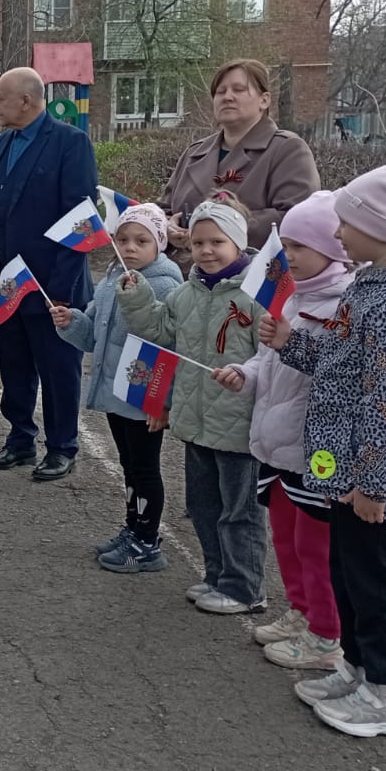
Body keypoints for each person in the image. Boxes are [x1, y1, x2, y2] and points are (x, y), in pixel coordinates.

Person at [262, 161, 386, 740]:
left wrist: (373, 485)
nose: (338, 232)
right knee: (348, 572)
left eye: (347, 223)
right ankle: (357, 667)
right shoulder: (371, 288)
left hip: (376, 480)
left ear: (384, 229)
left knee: (380, 582)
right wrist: (292, 345)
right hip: (345, 469)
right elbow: (344, 367)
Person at [214, 191, 353, 670]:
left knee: (316, 547)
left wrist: (291, 343)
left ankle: (326, 635)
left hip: (315, 453)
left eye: (299, 247)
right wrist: (245, 374)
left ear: (332, 248)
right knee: (287, 539)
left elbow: (341, 375)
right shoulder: (291, 297)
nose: (287, 256)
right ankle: (301, 612)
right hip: (276, 445)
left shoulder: (344, 306)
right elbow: (265, 358)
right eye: (286, 245)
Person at [118, 196, 266, 614]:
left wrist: (246, 373)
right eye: (199, 243)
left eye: (217, 242)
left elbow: (271, 356)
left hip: (239, 426)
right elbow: (160, 332)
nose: (206, 251)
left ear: (238, 243)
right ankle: (216, 575)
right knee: (203, 506)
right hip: (196, 422)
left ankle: (244, 588)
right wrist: (138, 299)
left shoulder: (256, 296)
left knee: (239, 512)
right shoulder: (185, 293)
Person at [0, 67, 100, 482]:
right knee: (14, 367)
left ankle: (62, 446)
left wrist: (61, 291)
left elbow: (80, 221)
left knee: (58, 370)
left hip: (52, 288)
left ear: (25, 101)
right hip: (10, 283)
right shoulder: (0, 145)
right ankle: (20, 439)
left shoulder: (70, 143)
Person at [51, 203, 183, 572]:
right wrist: (71, 321)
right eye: (123, 239)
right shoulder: (112, 278)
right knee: (129, 465)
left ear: (160, 244)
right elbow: (93, 336)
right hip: (115, 392)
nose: (130, 247)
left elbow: (172, 347)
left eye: (142, 240)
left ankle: (147, 543)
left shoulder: (166, 285)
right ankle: (133, 529)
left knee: (145, 468)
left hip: (144, 397)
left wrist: (163, 402)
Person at [161, 59, 319, 251]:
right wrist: (167, 227)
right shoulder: (194, 153)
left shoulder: (287, 149)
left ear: (264, 100)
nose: (227, 97)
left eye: (239, 89)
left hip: (253, 266)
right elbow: (163, 210)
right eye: (220, 92)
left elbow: (295, 218)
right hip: (185, 268)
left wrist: (216, 228)